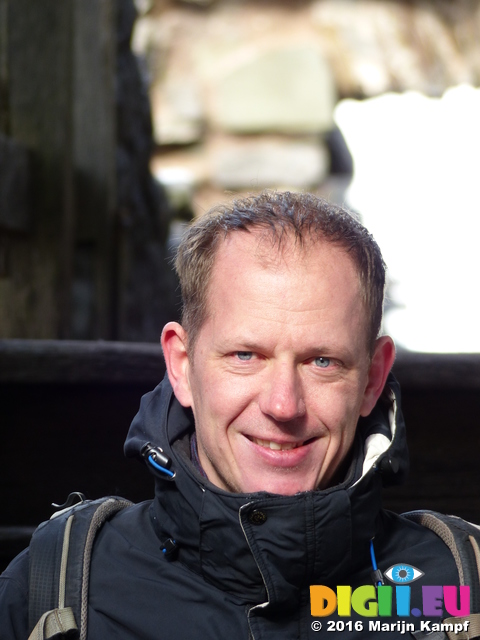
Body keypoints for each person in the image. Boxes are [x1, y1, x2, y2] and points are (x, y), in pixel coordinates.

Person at [0, 191, 473, 638]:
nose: (283, 405)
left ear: (372, 380)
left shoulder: (460, 593)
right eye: (245, 356)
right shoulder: (57, 593)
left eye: (321, 361)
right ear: (181, 367)